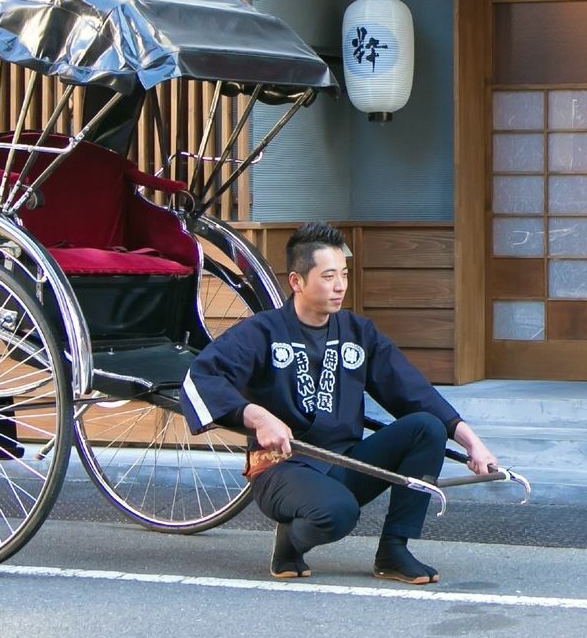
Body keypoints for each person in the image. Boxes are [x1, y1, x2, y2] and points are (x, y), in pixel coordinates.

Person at [179, 221, 499, 583]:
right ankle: (290, 542)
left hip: (345, 460)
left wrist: (473, 444)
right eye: (328, 276)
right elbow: (202, 376)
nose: (340, 285)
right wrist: (255, 416)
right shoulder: (262, 332)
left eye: (343, 274)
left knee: (425, 426)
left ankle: (394, 550)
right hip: (283, 467)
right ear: (297, 282)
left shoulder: (358, 332)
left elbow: (414, 392)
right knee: (338, 513)